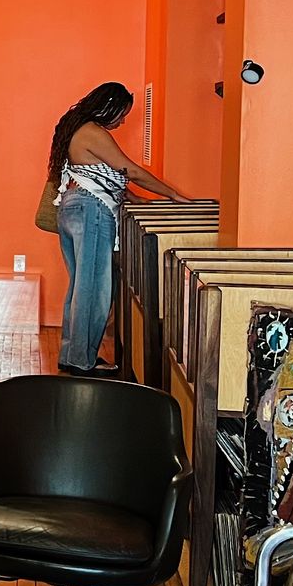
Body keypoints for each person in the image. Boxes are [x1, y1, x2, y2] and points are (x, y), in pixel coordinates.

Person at [47, 82, 192, 375]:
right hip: (92, 212)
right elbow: (131, 171)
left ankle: (72, 355)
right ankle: (80, 361)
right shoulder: (93, 132)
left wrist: (139, 200)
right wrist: (173, 195)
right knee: (95, 290)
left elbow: (104, 177)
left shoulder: (76, 129)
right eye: (122, 113)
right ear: (108, 106)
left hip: (73, 208)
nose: (123, 121)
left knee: (80, 286)